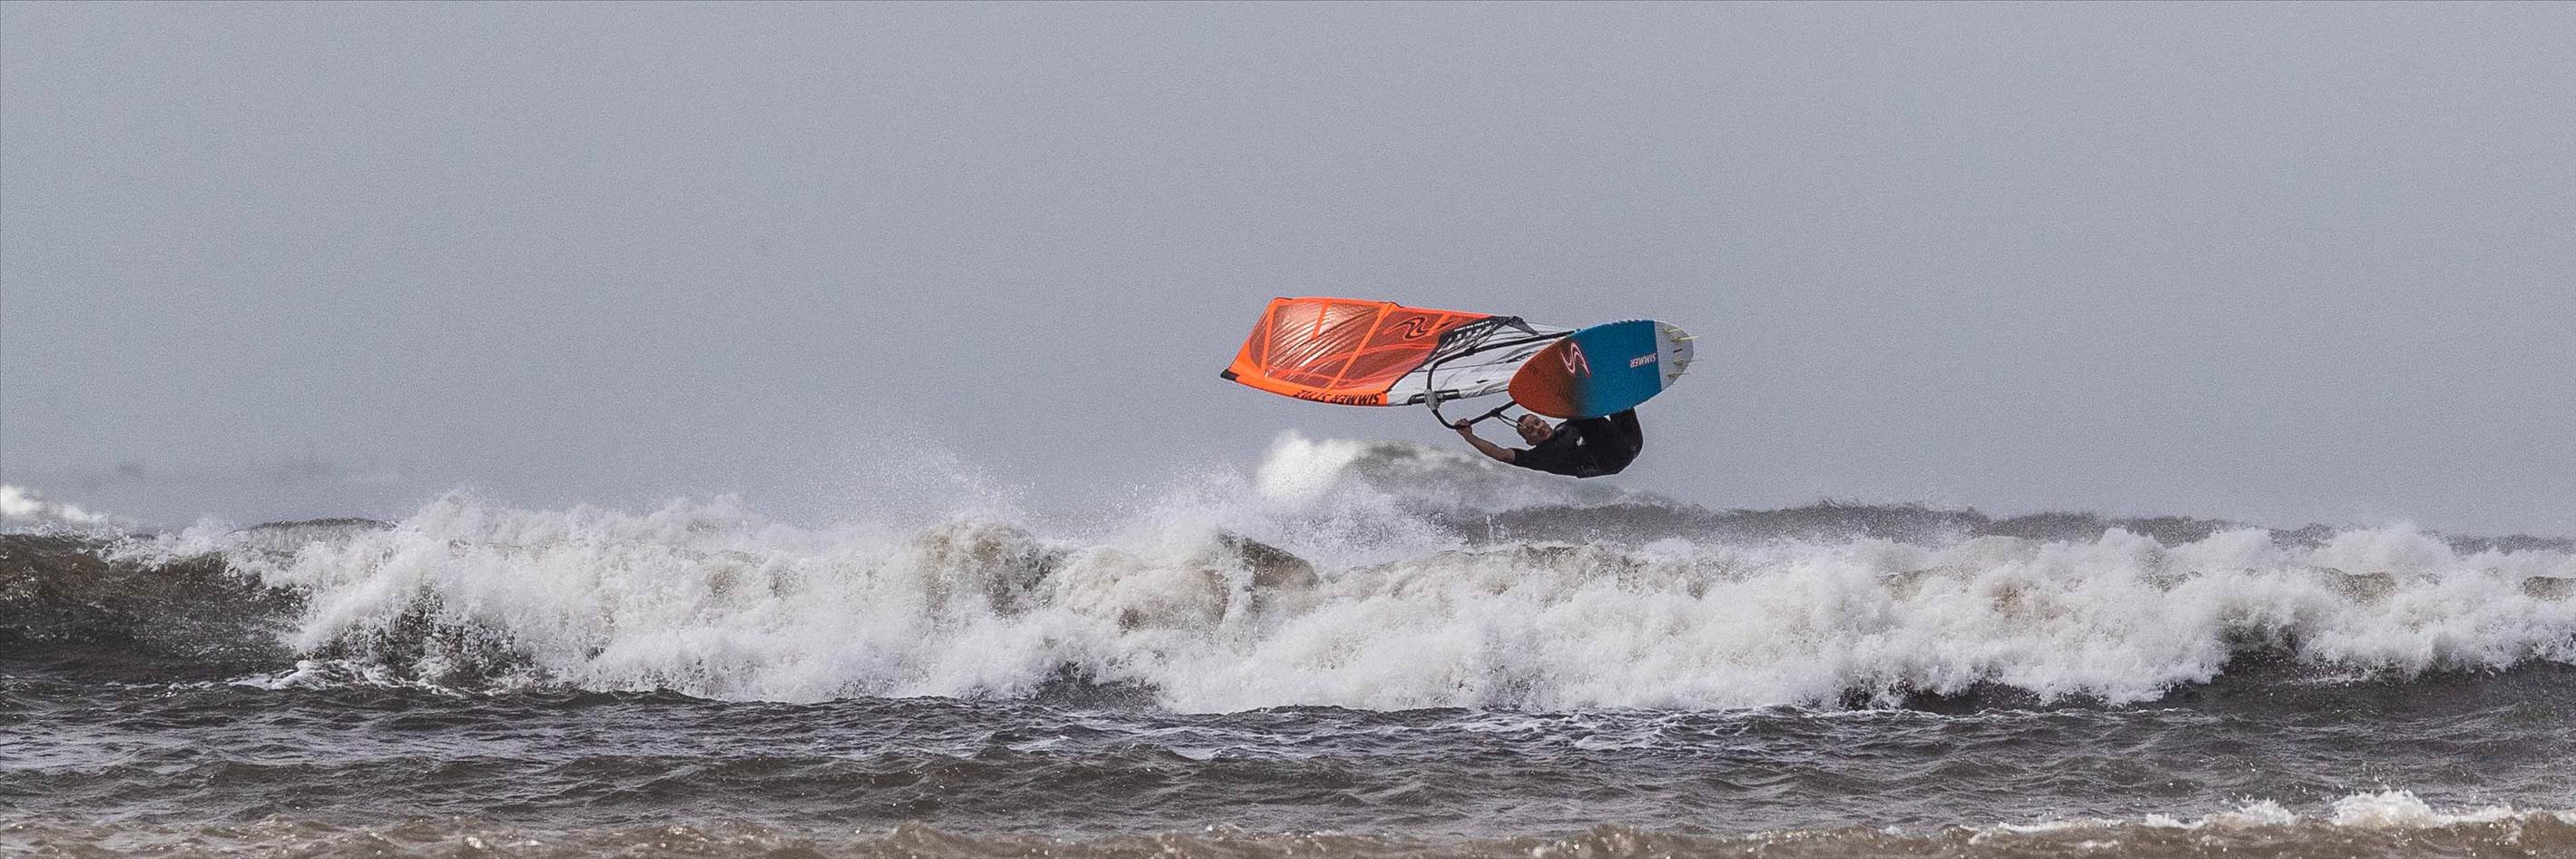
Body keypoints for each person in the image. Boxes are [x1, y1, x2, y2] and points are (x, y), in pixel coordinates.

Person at [1452, 409, 1643, 478]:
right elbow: (1501, 453)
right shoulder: (1539, 457)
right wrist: (1469, 437)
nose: (1538, 428)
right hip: (1608, 461)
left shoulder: (1565, 427)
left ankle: (1615, 374)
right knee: (1580, 414)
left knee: (1619, 404)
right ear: (1529, 441)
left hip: (1632, 445)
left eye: (1537, 422)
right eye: (1531, 430)